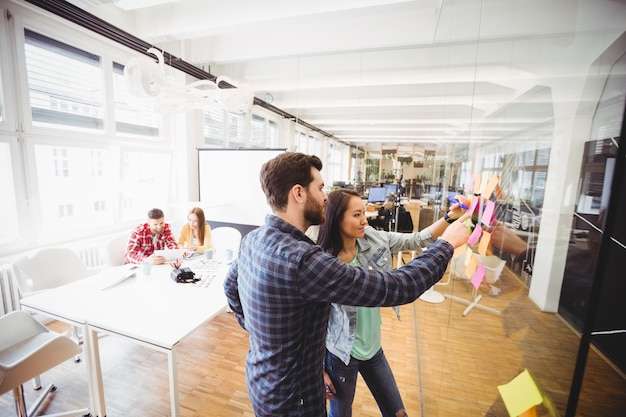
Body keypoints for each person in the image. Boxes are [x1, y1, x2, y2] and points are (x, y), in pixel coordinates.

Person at [223, 152, 470, 416]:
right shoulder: (304, 261)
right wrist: (447, 245)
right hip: (296, 400)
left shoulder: (253, 240)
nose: (325, 196)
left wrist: (264, 338)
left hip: (261, 383)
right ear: (298, 193)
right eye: (319, 188)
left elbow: (230, 288)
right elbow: (400, 287)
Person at [317, 189, 465, 417]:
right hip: (342, 355)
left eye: (364, 213)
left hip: (373, 348)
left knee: (397, 412)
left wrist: (448, 218)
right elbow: (314, 323)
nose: (364, 220)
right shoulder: (324, 263)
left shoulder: (373, 237)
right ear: (337, 218)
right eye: (356, 215)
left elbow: (417, 239)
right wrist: (320, 370)